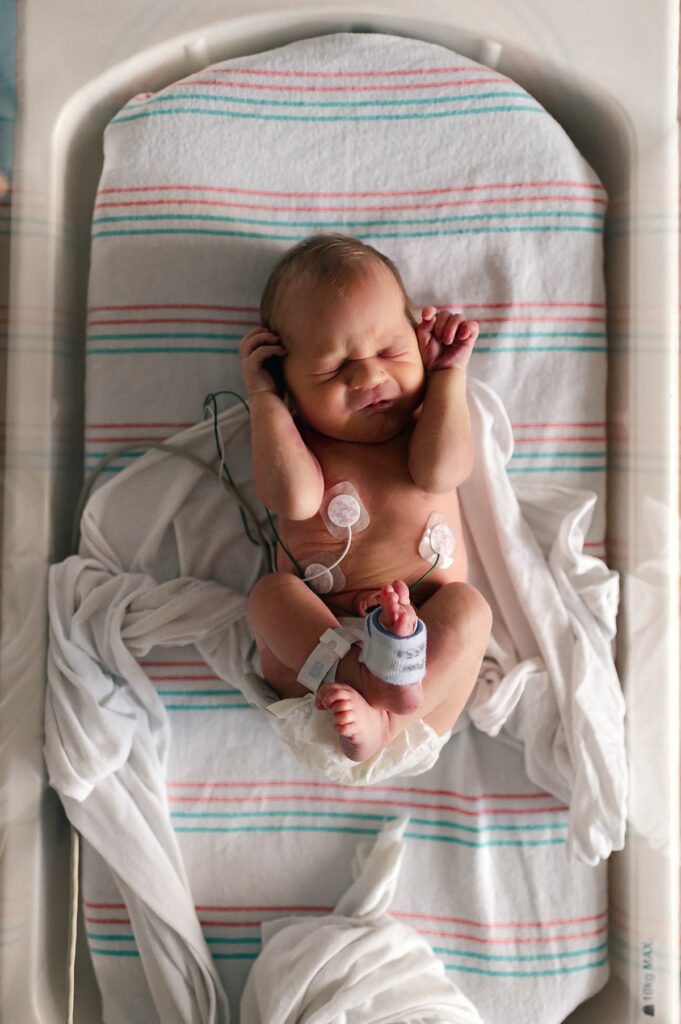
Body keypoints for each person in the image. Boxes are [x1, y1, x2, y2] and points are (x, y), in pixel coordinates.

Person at [241, 234, 492, 766]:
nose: (370, 377)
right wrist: (264, 401)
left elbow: (445, 469)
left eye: (389, 352)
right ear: (289, 385)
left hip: (422, 675)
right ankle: (361, 676)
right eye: (333, 370)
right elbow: (291, 496)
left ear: (419, 344)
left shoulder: (423, 433)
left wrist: (448, 375)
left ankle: (385, 716)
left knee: (468, 609)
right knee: (269, 595)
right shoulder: (304, 444)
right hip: (320, 668)